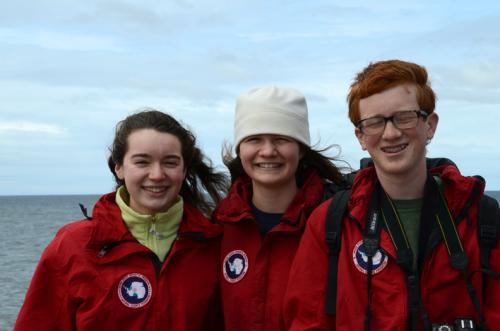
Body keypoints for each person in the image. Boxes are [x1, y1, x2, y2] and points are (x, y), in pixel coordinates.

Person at [284, 60, 500, 330]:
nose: (391, 133)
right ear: (360, 136)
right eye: (375, 123)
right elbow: (308, 322)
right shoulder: (331, 223)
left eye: (404, 117)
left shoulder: (483, 218)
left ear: (430, 125)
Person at [14, 109, 228, 331]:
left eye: (170, 162)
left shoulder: (213, 244)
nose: (156, 174)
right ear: (119, 168)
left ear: (183, 170)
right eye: (142, 162)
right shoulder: (72, 246)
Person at [212, 86, 347, 331]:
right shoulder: (218, 227)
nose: (267, 151)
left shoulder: (335, 224)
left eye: (281, 139)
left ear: (301, 148)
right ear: (240, 149)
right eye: (254, 139)